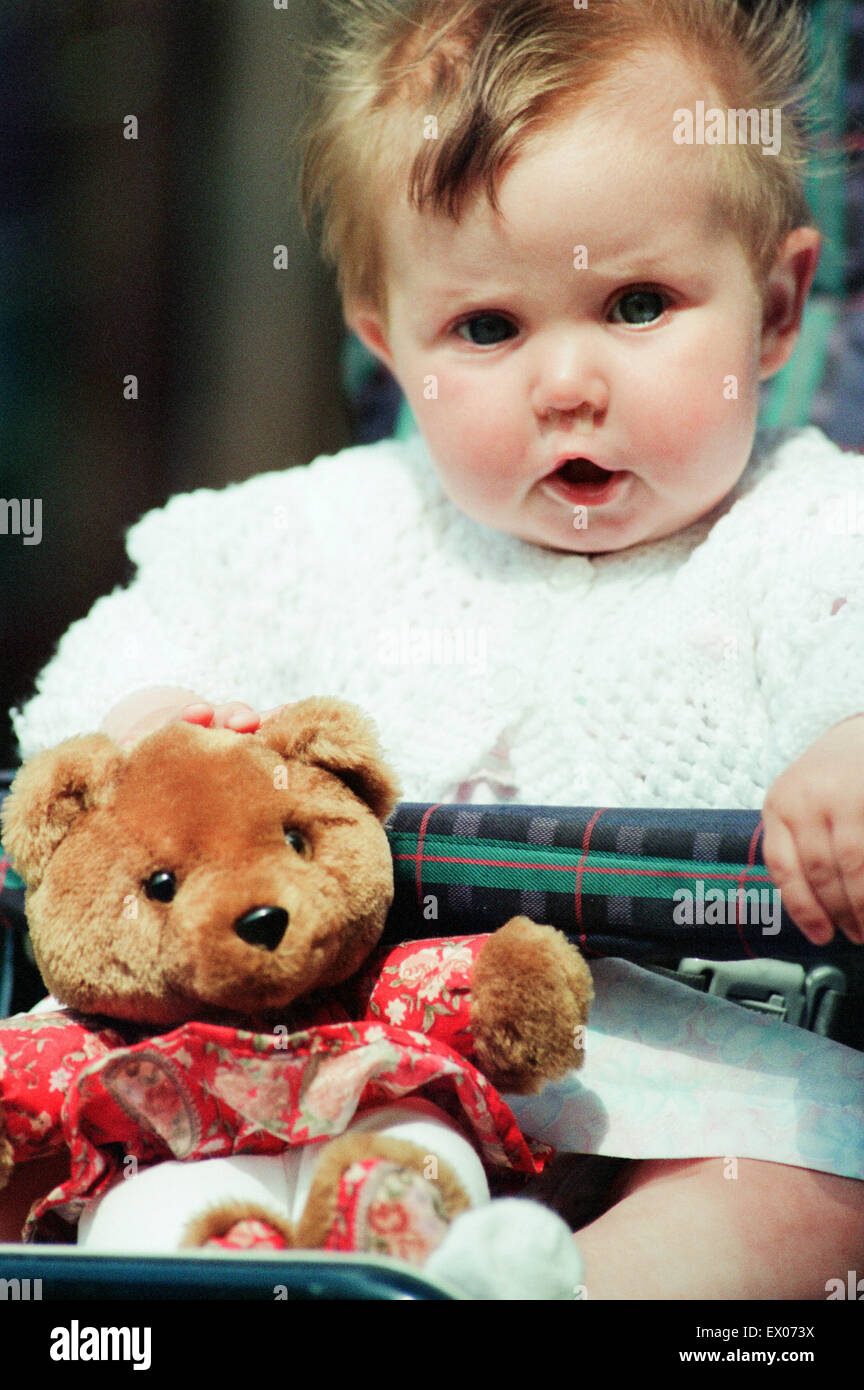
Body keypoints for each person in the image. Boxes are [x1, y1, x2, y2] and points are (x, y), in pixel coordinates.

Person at [8, 0, 864, 1295]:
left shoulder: (809, 528)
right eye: (488, 329)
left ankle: (548, 1289)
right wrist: (157, 727)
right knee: (164, 1096)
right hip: (369, 1062)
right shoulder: (341, 526)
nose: (567, 383)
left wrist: (850, 744)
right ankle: (229, 1248)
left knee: (820, 1177)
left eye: (638, 303)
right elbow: (146, 620)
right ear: (391, 348)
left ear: (779, 307)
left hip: (699, 1077)